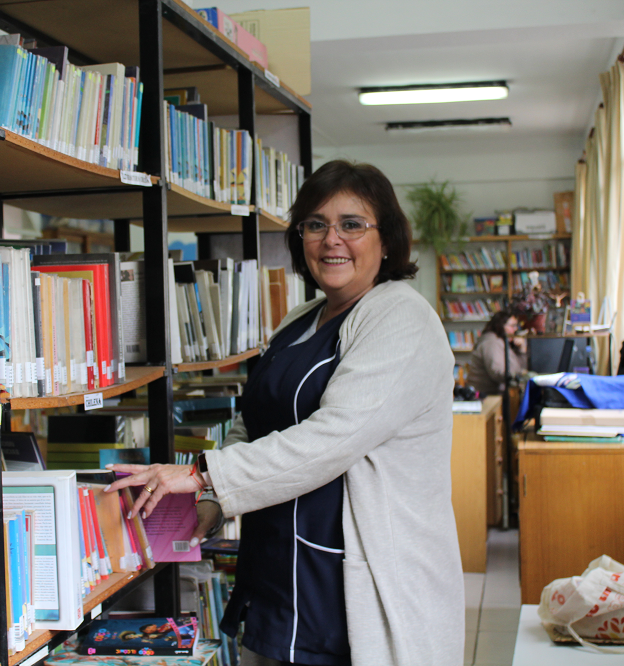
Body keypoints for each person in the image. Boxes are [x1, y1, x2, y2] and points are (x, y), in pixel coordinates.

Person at [108, 160, 463, 666]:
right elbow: (250, 421)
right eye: (315, 225)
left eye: (352, 224)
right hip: (279, 567)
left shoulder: (403, 320)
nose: (331, 239)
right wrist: (213, 501)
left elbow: (334, 438)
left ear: (387, 241)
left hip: (351, 578)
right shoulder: (302, 319)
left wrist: (201, 474)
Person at [466, 310, 528, 395]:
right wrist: (519, 374)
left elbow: (519, 367)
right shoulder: (492, 342)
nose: (515, 329)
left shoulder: (503, 341)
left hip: (497, 392)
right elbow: (497, 373)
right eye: (512, 326)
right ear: (500, 325)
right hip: (486, 395)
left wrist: (522, 350)